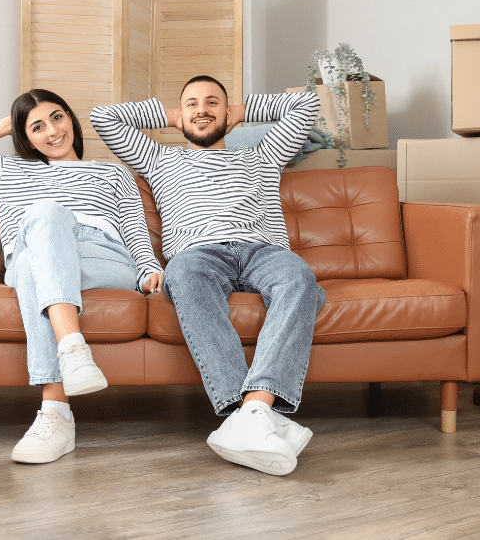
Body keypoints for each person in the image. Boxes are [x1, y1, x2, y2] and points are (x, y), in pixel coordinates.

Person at [90, 76, 326, 476]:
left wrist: (242, 111)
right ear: (180, 115)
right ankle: (252, 414)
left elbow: (307, 105)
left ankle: (252, 410)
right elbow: (104, 117)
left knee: (302, 279)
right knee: (183, 275)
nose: (203, 109)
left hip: (262, 250)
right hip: (198, 255)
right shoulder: (158, 159)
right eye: (193, 104)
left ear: (228, 113)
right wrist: (174, 115)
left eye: (213, 102)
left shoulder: (264, 154)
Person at [0, 89, 164, 464]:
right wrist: (7, 123)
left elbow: (136, 231)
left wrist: (149, 268)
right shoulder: (5, 169)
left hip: (102, 257)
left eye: (58, 117)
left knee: (34, 259)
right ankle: (71, 354)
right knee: (36, 240)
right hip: (34, 253)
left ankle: (56, 411)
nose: (53, 131)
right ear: (24, 137)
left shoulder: (113, 173)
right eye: (37, 127)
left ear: (71, 119)